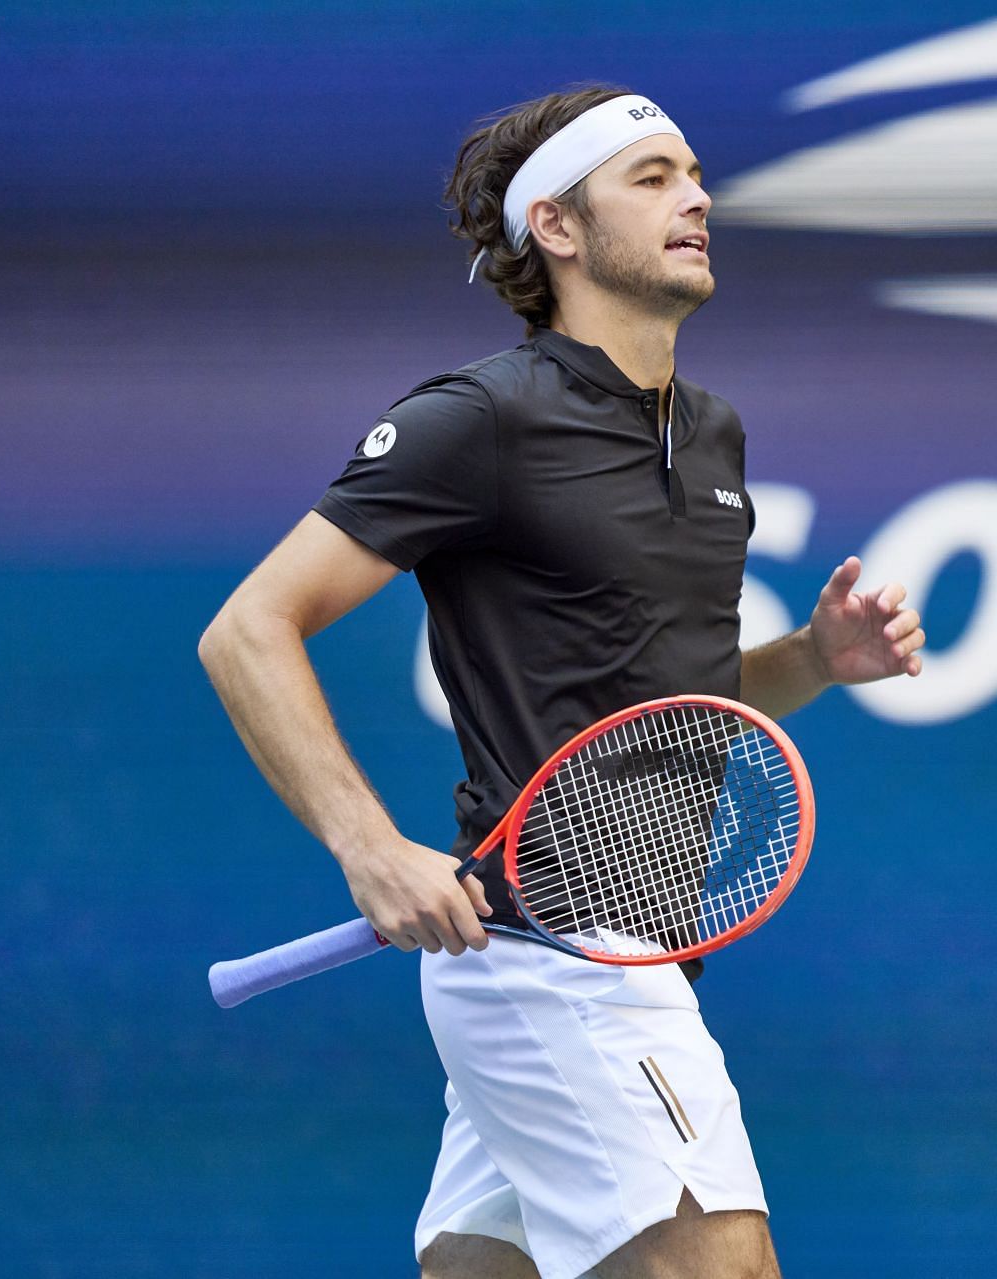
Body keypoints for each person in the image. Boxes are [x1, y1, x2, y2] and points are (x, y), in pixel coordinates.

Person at [196, 85, 926, 1279]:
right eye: (650, 178)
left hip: (594, 965)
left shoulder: (716, 436)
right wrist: (369, 847)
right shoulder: (476, 420)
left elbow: (663, 705)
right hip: (565, 964)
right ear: (558, 227)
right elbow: (248, 629)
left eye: (694, 173)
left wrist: (814, 662)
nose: (695, 197)